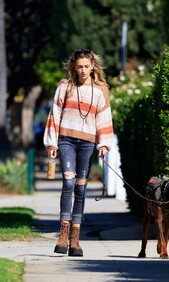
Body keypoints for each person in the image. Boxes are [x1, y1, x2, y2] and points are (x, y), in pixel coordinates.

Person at [43, 49, 114, 256]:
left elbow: (104, 118)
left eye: (86, 66)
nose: (83, 70)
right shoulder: (65, 87)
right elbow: (54, 113)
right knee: (68, 182)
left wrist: (104, 144)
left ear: (93, 66)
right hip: (66, 140)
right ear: (74, 67)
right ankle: (63, 235)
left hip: (88, 143)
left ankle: (75, 239)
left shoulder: (101, 90)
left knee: (81, 189)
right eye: (79, 66)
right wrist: (51, 143)